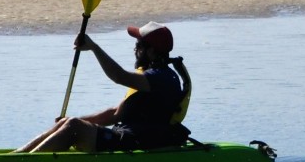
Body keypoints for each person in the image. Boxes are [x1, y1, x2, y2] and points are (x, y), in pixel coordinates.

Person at [23, 21, 191, 153]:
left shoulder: (160, 77)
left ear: (152, 52)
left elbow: (119, 76)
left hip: (134, 142)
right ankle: (19, 156)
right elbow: (114, 114)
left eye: (139, 45)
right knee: (71, 122)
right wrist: (74, 120)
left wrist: (94, 48)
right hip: (125, 138)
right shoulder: (152, 76)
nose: (135, 49)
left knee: (74, 126)